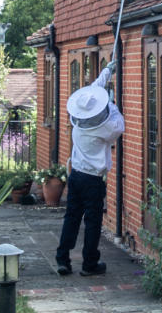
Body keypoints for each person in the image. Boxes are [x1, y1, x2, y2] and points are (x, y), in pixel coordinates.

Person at [56, 60, 124, 276]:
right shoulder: (104, 129)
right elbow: (119, 124)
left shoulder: (78, 122)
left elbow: (94, 91)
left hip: (75, 175)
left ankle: (63, 260)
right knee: (93, 221)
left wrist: (106, 71)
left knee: (72, 218)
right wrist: (111, 102)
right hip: (92, 180)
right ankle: (89, 264)